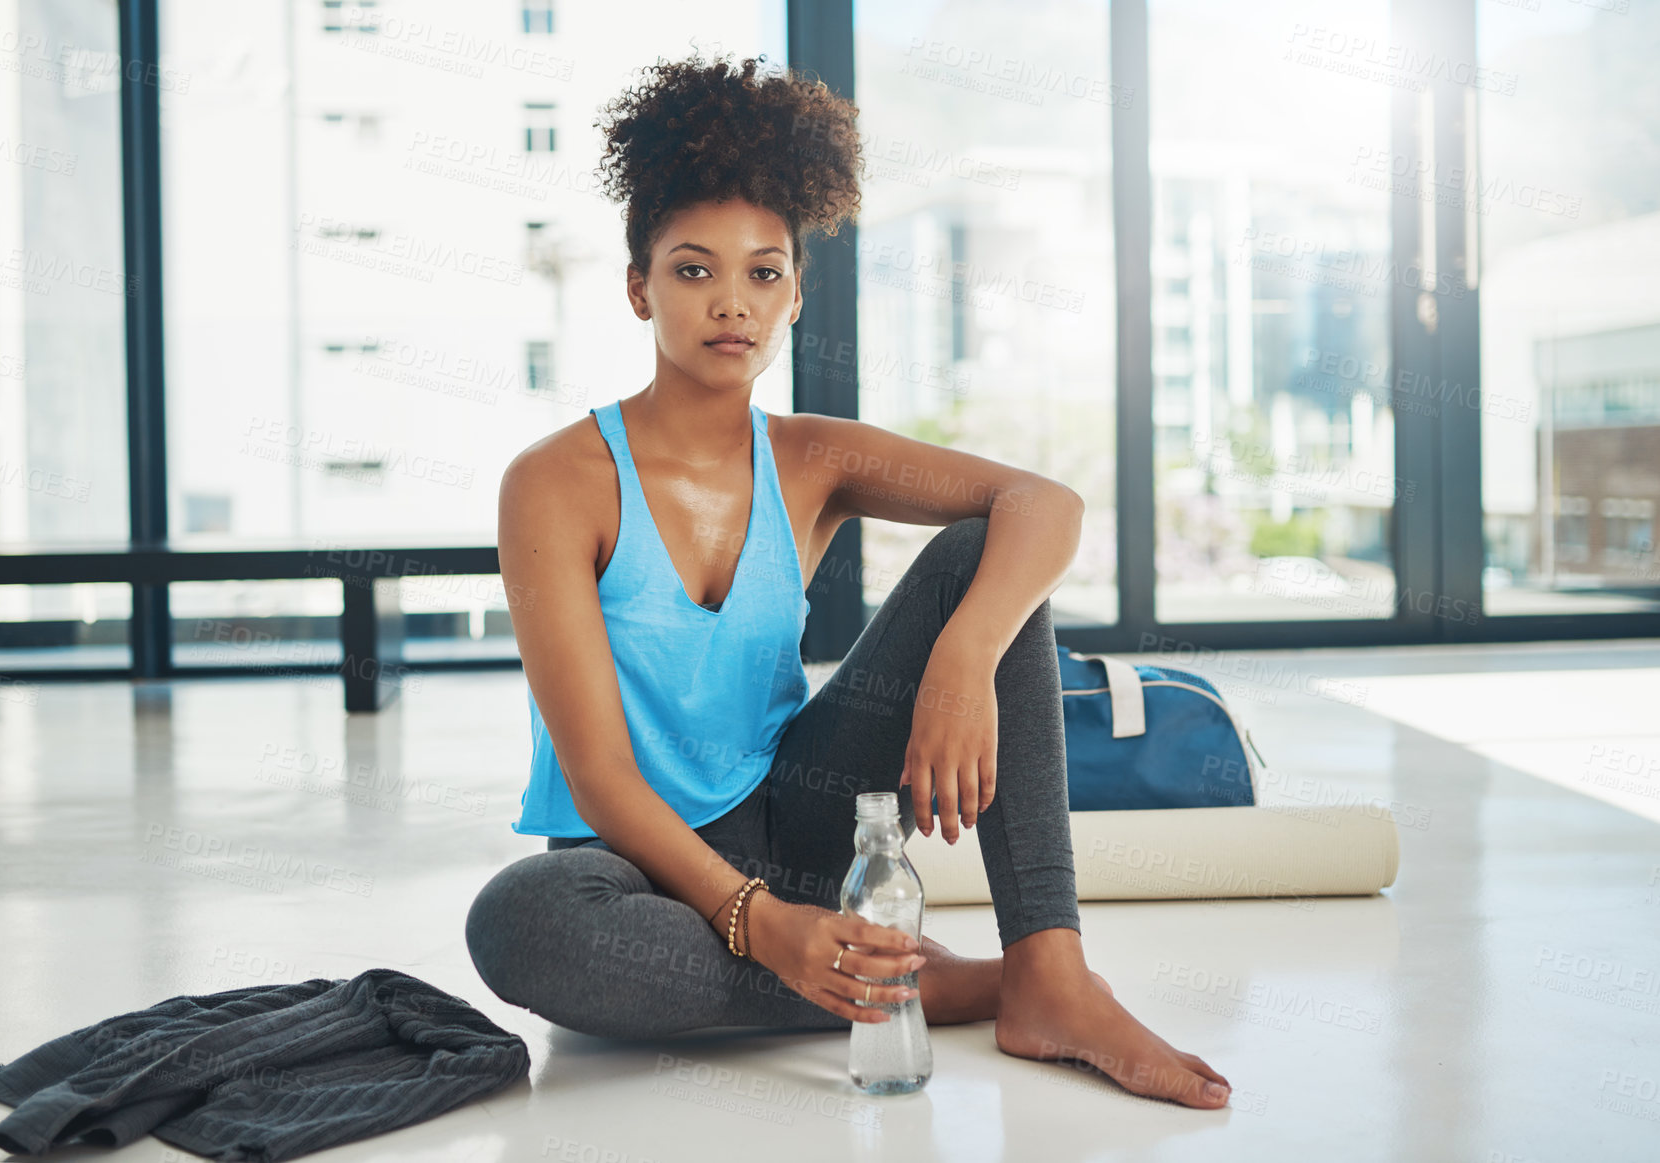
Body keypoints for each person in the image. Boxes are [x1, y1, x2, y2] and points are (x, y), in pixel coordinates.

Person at [465, 51, 1231, 1110]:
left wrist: (962, 658)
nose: (730, 302)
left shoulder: (812, 457)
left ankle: (1047, 969)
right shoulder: (554, 482)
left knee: (980, 556)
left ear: (794, 293)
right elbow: (598, 776)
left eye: (762, 272)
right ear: (638, 285)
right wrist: (756, 922)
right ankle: (937, 980)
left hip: (803, 816)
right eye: (693, 270)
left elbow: (1042, 504)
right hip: (630, 863)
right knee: (521, 924)